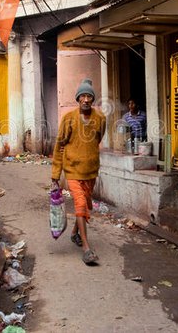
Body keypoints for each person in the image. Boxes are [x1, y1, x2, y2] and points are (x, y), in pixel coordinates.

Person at [51, 78, 106, 266]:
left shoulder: (100, 119)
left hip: (91, 171)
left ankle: (75, 233)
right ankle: (86, 248)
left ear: (92, 99)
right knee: (81, 204)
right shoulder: (68, 119)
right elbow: (59, 146)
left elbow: (97, 140)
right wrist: (55, 176)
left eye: (89, 96)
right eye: (82, 96)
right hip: (72, 171)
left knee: (85, 206)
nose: (85, 99)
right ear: (77, 99)